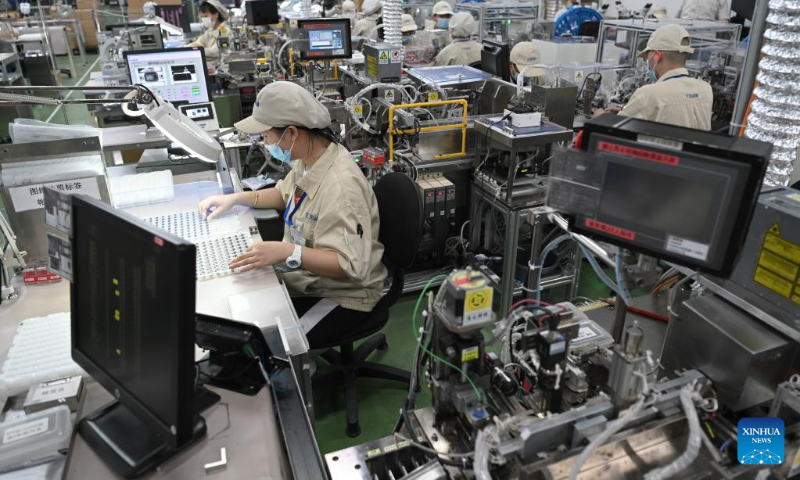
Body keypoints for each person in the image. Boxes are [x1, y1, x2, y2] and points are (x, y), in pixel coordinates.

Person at [197, 82, 387, 346]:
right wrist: (238, 198)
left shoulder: (341, 188)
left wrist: (287, 253)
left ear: (291, 133)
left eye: (266, 136)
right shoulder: (311, 160)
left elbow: (349, 266)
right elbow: (284, 194)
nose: (265, 144)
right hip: (306, 278)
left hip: (345, 295)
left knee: (276, 343)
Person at [596, 24, 712, 130]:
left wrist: (600, 116)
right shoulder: (705, 89)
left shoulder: (649, 94)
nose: (647, 62)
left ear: (656, 56)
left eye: (648, 57)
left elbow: (616, 130)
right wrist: (625, 112)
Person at [188, 0, 230, 64]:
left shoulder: (225, 31)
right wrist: (182, 49)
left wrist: (197, 50)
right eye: (202, 17)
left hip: (218, 67)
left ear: (216, 15)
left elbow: (214, 52)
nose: (203, 19)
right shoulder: (210, 31)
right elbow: (198, 43)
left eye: (205, 16)